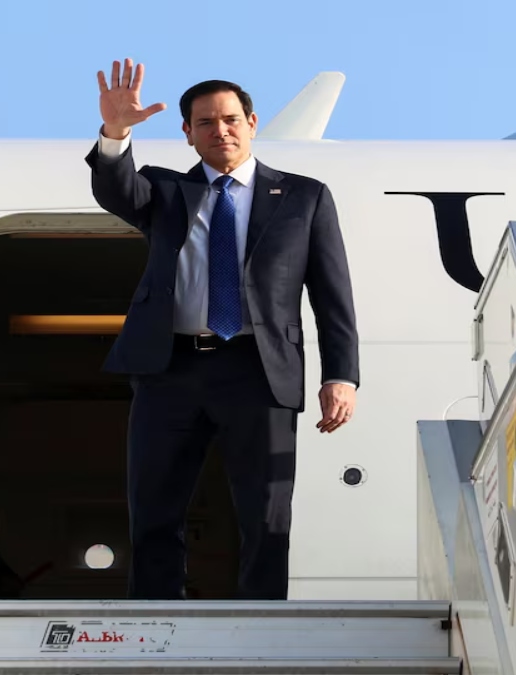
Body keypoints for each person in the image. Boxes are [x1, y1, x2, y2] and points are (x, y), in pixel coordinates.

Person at [85, 59, 360, 601]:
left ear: (252, 123)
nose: (222, 130)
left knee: (266, 512)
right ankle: (156, 620)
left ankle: (262, 624)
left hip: (258, 371)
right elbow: (116, 190)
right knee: (154, 508)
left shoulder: (304, 198)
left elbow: (332, 296)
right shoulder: (163, 193)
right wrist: (117, 131)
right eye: (206, 123)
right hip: (171, 370)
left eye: (231, 119)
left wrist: (341, 376)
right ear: (187, 134)